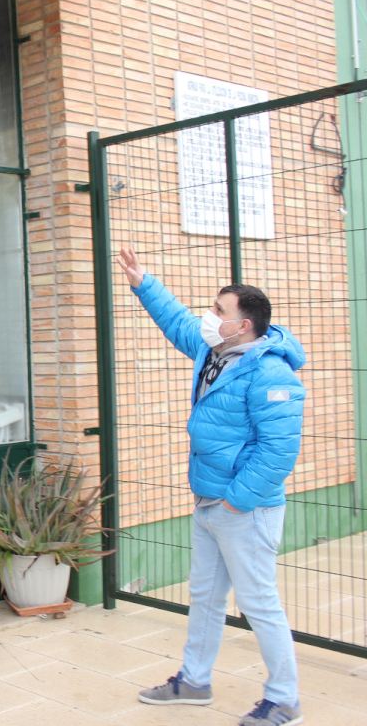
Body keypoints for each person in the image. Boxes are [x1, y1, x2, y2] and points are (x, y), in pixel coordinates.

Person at [117, 247, 306, 726]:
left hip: (244, 508)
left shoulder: (271, 372)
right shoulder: (214, 351)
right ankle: (194, 681)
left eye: (219, 310)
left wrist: (236, 502)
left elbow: (278, 451)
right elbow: (178, 322)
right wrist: (143, 283)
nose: (209, 315)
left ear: (243, 325)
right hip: (208, 499)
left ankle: (284, 699)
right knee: (204, 595)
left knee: (259, 604)